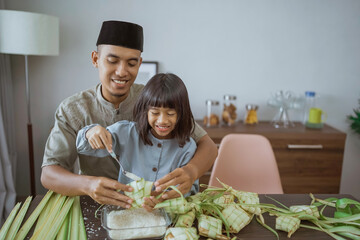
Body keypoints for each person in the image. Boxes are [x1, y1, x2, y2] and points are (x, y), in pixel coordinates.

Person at [41, 20, 217, 209]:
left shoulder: (154, 99)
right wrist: (88, 185)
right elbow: (49, 174)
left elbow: (208, 145)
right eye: (112, 61)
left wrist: (191, 171)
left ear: (139, 64)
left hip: (152, 207)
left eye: (131, 63)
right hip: (95, 206)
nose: (122, 71)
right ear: (95, 59)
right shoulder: (73, 109)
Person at [76, 73, 198, 210]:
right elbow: (83, 147)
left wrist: (162, 201)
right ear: (145, 111)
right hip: (126, 213)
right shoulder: (126, 133)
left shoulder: (188, 147)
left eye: (170, 114)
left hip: (167, 219)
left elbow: (190, 191)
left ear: (181, 113)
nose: (162, 120)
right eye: (155, 113)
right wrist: (90, 132)